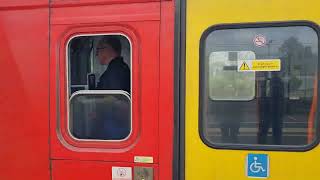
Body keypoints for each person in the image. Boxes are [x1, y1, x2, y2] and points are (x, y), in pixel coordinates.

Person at [91, 36, 131, 140]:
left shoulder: (115, 71)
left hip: (113, 124)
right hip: (114, 121)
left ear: (107, 49)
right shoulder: (120, 67)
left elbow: (114, 99)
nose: (96, 54)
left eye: (98, 50)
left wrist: (87, 101)